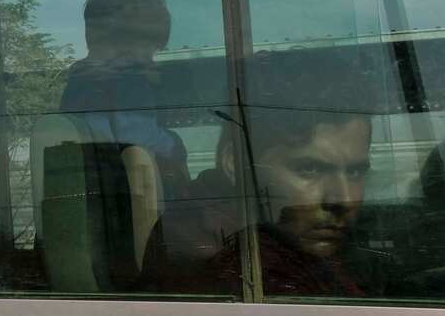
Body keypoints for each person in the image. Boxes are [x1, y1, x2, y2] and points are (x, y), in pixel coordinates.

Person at [141, 56, 387, 298]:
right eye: (310, 170)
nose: (343, 199)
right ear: (236, 165)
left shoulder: (277, 240)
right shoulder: (219, 259)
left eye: (355, 172)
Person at [59, 0, 189, 199]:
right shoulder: (127, 80)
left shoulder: (79, 83)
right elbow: (136, 138)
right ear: (125, 40)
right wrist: (175, 145)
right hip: (131, 202)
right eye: (148, 48)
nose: (150, 59)